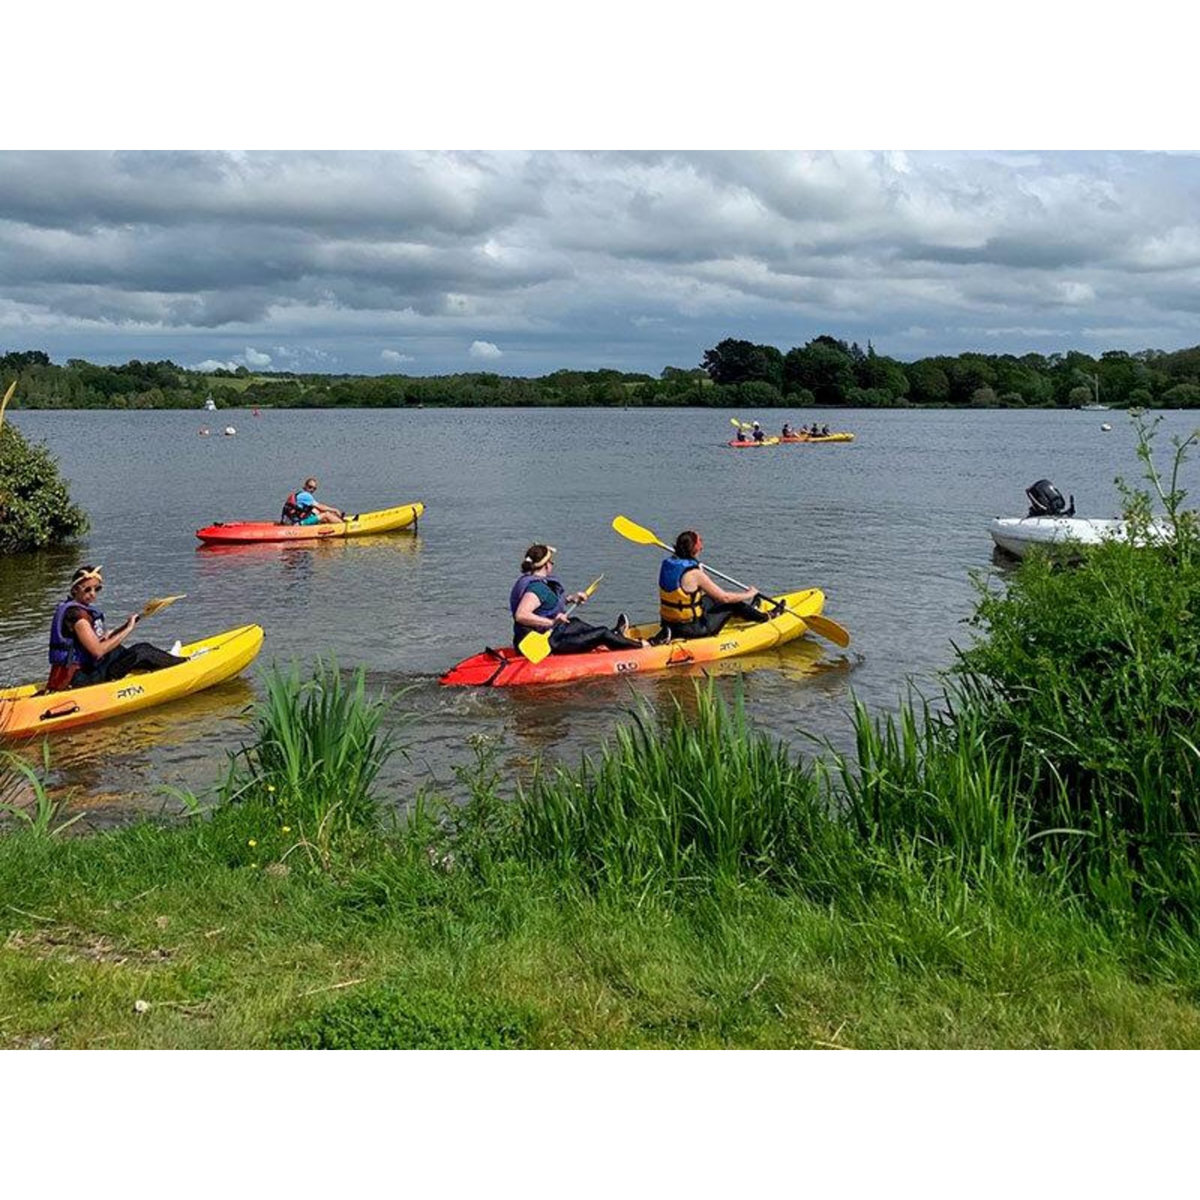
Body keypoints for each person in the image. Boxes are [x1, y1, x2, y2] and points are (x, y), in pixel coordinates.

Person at [46, 565, 187, 692]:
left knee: (119, 651)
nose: (93, 594)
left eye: (97, 589)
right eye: (87, 589)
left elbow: (91, 644)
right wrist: (128, 629)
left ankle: (161, 662)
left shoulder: (73, 609)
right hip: (80, 679)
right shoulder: (78, 617)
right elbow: (98, 651)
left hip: (74, 673)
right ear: (75, 590)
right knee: (141, 650)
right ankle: (184, 665)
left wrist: (121, 628)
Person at [650, 530, 784, 645]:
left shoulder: (667, 565)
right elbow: (724, 597)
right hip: (694, 629)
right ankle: (767, 617)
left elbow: (693, 590)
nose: (702, 547)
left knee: (710, 598)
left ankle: (749, 611)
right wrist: (750, 594)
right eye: (700, 543)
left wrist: (699, 569)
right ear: (694, 549)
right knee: (732, 604)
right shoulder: (694, 574)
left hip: (670, 623)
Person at [511, 544, 647, 655]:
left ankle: (615, 636)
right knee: (602, 632)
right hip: (540, 643)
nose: (553, 564)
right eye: (551, 561)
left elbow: (545, 605)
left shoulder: (534, 581)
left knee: (575, 622)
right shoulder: (536, 589)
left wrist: (571, 598)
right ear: (546, 565)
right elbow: (521, 615)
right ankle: (641, 647)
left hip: (544, 636)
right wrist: (551, 622)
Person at [281, 477, 345, 525]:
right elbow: (321, 507)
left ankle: (333, 520)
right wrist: (335, 510)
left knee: (316, 511)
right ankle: (342, 525)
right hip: (296, 524)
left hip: (289, 520)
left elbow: (318, 509)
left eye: (314, 488)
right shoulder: (306, 495)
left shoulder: (300, 494)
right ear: (305, 486)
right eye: (310, 487)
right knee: (326, 514)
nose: (311, 490)